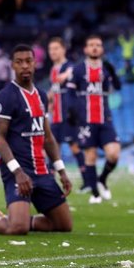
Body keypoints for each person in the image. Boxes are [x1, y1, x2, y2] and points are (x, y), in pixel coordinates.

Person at [0, 44, 73, 235]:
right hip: (17, 171)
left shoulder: (42, 96)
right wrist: (18, 172)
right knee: (18, 228)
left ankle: (7, 218)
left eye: (28, 61)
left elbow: (48, 137)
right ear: (12, 65)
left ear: (34, 64)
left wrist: (61, 171)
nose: (25, 66)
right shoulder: (5, 97)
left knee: (63, 225)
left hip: (41, 170)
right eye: (19, 62)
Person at [66, 35, 122, 204]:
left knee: (113, 154)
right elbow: (69, 93)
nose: (95, 48)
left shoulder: (106, 68)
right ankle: (96, 194)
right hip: (86, 120)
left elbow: (118, 87)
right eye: (91, 45)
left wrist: (113, 73)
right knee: (90, 157)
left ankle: (102, 179)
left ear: (102, 49)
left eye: (98, 45)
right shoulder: (78, 70)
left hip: (105, 119)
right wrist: (73, 113)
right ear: (86, 49)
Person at [47, 37, 86, 191]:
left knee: (75, 147)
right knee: (52, 148)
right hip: (55, 116)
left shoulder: (68, 66)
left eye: (56, 48)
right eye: (51, 49)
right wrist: (49, 102)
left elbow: (74, 70)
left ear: (63, 49)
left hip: (68, 116)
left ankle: (88, 181)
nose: (53, 52)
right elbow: (54, 90)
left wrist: (67, 74)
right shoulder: (53, 70)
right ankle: (50, 182)